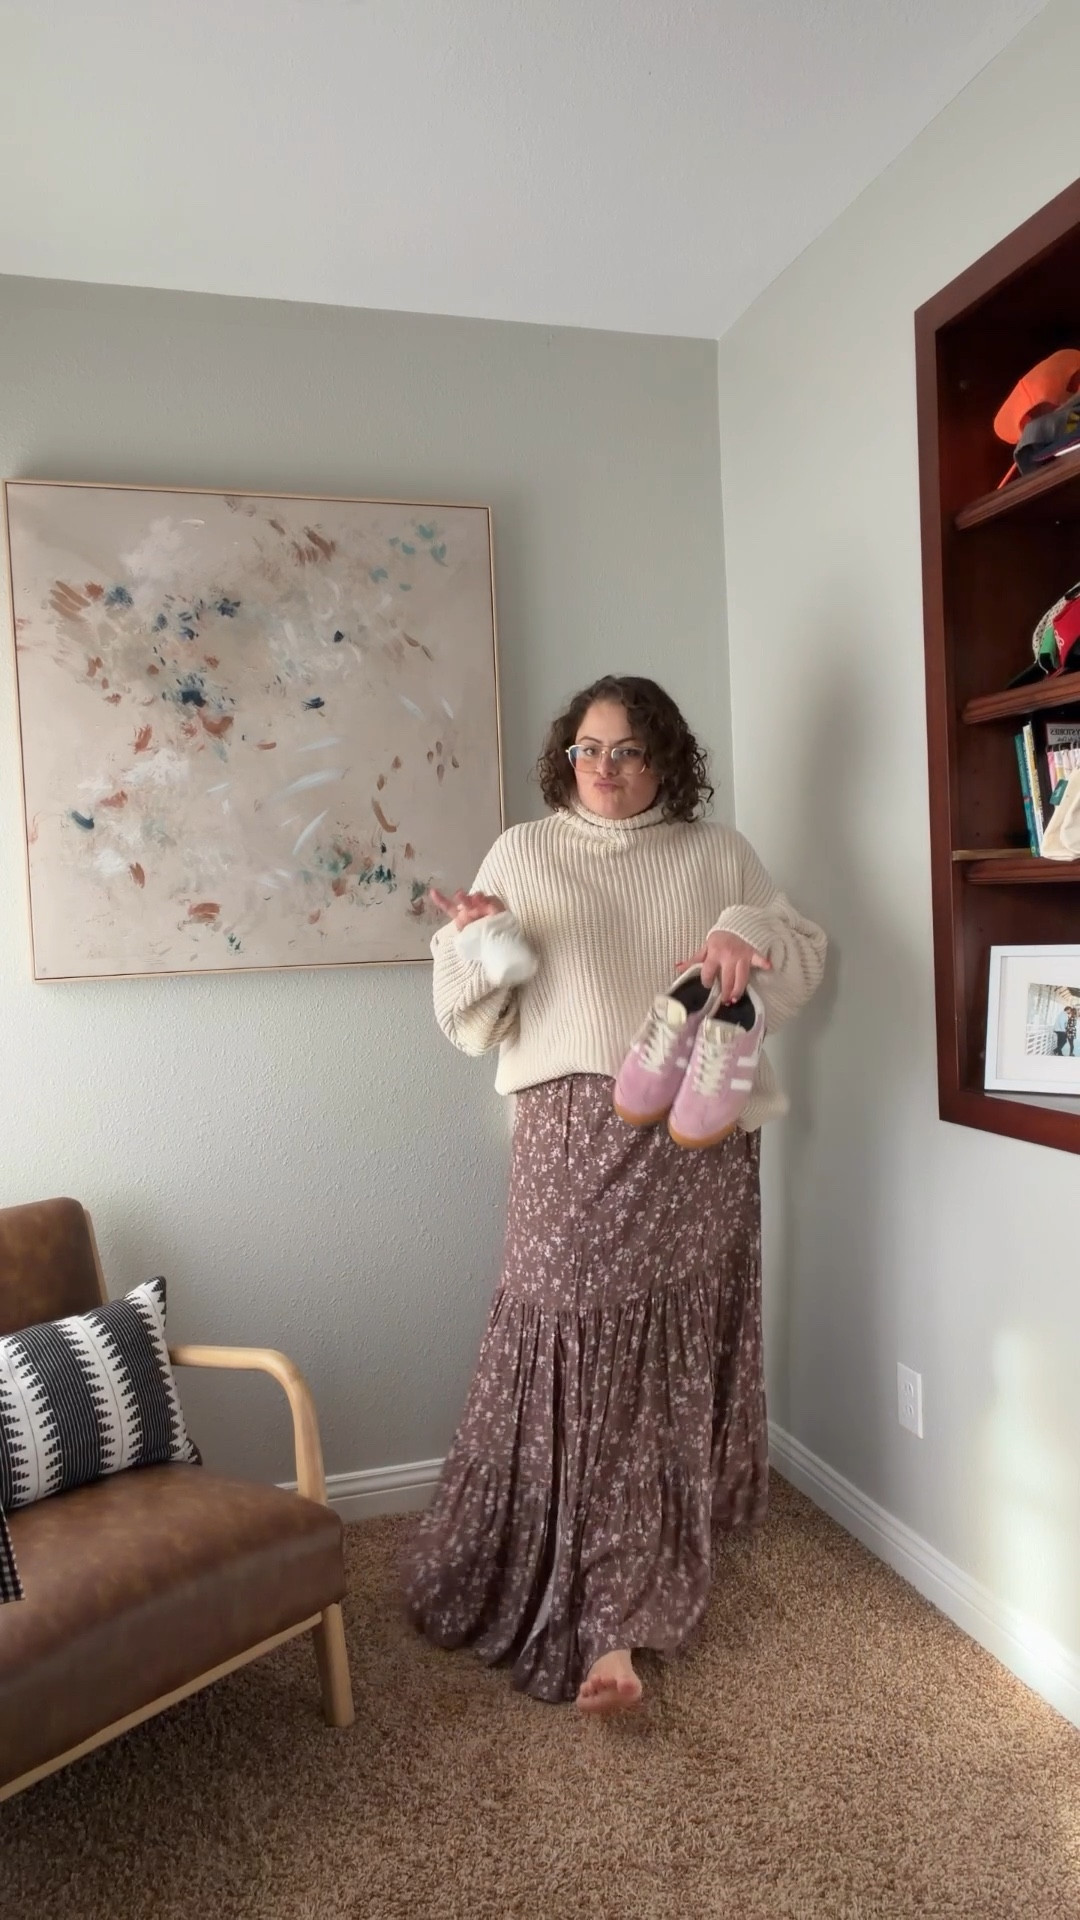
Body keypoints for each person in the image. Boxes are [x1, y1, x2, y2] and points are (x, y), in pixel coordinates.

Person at [401, 675, 826, 1714]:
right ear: (567, 757)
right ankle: (547, 1565)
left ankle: (620, 1622)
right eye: (589, 749)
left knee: (661, 1362)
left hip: (697, 1130)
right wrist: (482, 946)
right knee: (560, 1338)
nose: (605, 768)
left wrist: (742, 935)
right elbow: (467, 1020)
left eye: (629, 750)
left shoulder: (719, 853)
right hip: (568, 1132)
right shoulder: (521, 852)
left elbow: (798, 959)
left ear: (665, 758)